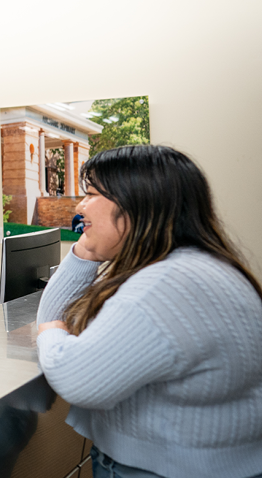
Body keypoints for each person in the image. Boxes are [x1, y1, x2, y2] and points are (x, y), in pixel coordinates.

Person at [36, 145, 262, 478]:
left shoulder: (167, 284)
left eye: (90, 194)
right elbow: (56, 315)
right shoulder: (193, 266)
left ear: (135, 202)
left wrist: (52, 335)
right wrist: (84, 252)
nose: (80, 206)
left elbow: (76, 377)